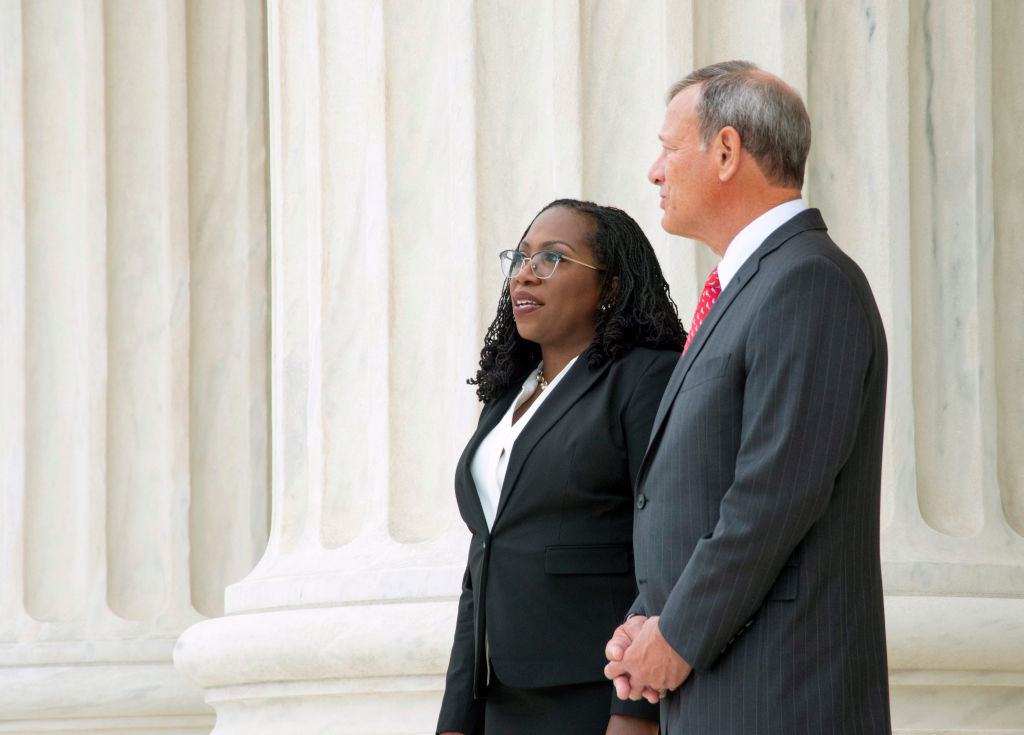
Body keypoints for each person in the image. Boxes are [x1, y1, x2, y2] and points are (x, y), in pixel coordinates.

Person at [603, 60, 892, 734]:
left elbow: (772, 494)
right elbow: (698, 491)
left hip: (779, 697)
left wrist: (676, 636)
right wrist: (649, 626)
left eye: (668, 148)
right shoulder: (750, 288)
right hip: (725, 690)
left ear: (726, 151)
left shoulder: (808, 281)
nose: (654, 171)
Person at [437, 198, 686, 735]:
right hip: (500, 697)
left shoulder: (645, 379)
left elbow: (668, 541)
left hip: (594, 693)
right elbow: (483, 559)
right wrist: (457, 715)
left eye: (552, 258)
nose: (525, 274)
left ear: (612, 285)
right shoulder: (509, 396)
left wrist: (637, 711)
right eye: (520, 258)